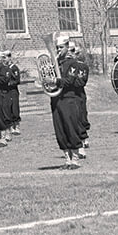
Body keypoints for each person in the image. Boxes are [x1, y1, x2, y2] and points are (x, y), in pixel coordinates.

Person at [50, 34, 88, 168]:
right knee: (60, 130)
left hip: (69, 100)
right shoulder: (54, 63)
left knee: (71, 128)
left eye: (60, 47)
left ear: (66, 47)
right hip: (56, 100)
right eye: (56, 48)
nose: (58, 50)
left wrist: (56, 81)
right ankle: (67, 159)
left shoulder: (73, 64)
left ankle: (75, 159)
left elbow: (70, 81)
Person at [1, 49, 22, 135]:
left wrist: (10, 83)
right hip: (6, 91)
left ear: (9, 58)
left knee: (14, 108)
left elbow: (17, 80)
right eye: (3, 58)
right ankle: (9, 126)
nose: (4, 60)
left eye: (5, 58)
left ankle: (16, 125)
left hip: (13, 90)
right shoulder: (3, 68)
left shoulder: (14, 68)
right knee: (7, 108)